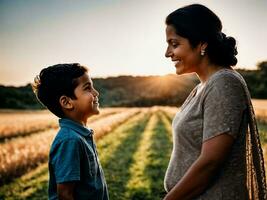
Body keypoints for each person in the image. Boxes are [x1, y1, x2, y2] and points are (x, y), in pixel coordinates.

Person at [163, 4, 266, 200]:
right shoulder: (203, 86)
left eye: (174, 44)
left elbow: (211, 162)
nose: (168, 53)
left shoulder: (224, 83)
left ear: (202, 44)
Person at [32, 63, 109, 200]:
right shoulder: (70, 140)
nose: (96, 93)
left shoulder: (81, 135)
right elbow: (65, 194)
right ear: (67, 102)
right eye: (88, 88)